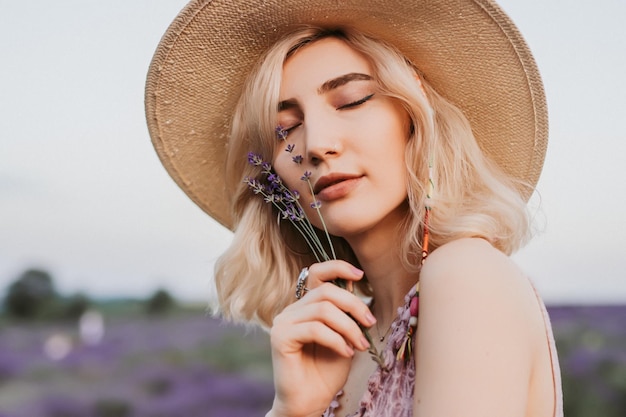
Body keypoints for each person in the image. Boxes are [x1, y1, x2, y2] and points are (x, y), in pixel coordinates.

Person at [145, 1, 563, 416]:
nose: (315, 145)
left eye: (352, 100)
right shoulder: (344, 345)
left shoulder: (467, 275)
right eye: (286, 129)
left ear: (415, 118)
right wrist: (293, 410)